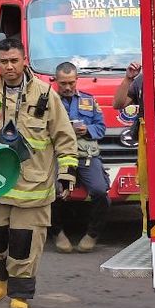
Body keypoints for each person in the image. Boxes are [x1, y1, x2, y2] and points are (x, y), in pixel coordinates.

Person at [0, 38, 77, 308]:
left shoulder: (47, 95)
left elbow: (64, 137)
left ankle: (20, 294)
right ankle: (1, 278)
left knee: (24, 242)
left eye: (14, 60)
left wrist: (67, 174)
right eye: (3, 62)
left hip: (33, 187)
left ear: (24, 61)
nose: (9, 66)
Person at [48, 62, 110, 254]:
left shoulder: (89, 101)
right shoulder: (47, 102)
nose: (67, 87)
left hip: (86, 157)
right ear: (55, 81)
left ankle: (92, 234)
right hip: (58, 157)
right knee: (53, 193)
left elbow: (101, 128)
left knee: (101, 192)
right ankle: (57, 233)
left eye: (71, 83)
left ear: (77, 80)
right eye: (63, 83)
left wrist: (87, 130)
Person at [113, 61, 146, 234]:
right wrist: (128, 78)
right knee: (147, 191)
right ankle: (147, 232)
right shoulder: (141, 81)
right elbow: (118, 104)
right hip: (146, 142)